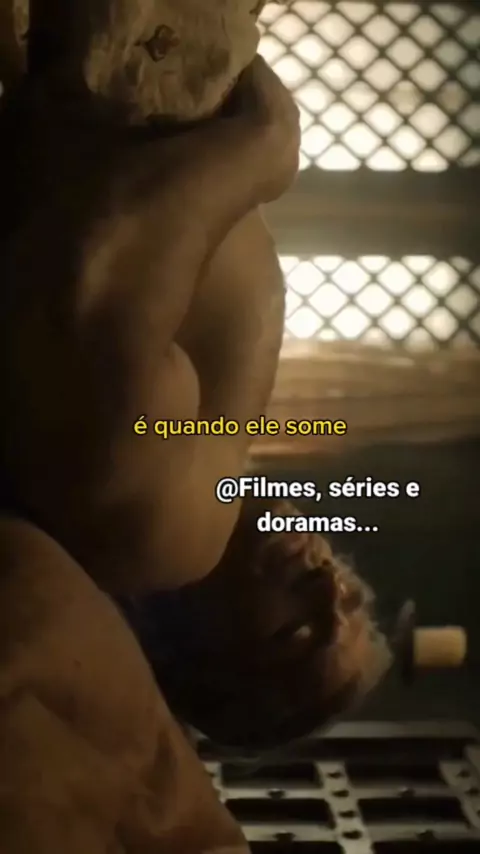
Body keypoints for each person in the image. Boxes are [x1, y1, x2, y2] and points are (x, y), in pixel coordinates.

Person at [0, 20, 391, 852]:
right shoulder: (200, 472)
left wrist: (264, 149)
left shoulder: (164, 531)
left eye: (298, 634)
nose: (326, 584)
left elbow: (92, 272)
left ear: (200, 660)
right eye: (350, 595)